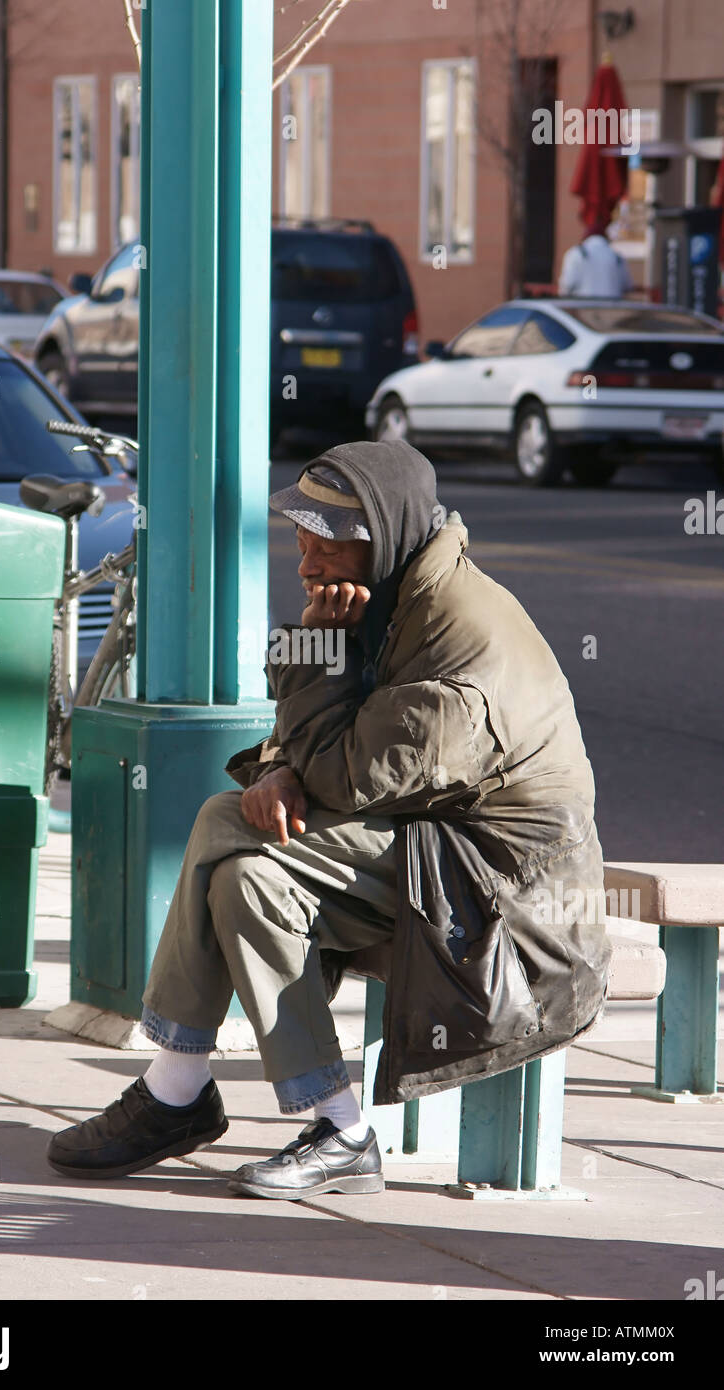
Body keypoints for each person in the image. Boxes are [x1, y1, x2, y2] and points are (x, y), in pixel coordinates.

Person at [46, 440, 612, 1200]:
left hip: (504, 889)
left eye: (328, 544)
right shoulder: (393, 597)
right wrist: (282, 762)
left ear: (385, 533)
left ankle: (174, 1090)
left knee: (224, 820)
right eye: (301, 542)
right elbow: (321, 756)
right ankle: (334, 1127)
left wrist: (315, 662)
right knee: (247, 882)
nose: (309, 565)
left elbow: (355, 777)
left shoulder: (456, 631)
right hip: (428, 843)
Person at [558, 217, 634, 297]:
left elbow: (567, 285)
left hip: (582, 306)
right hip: (613, 307)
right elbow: (627, 286)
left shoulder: (576, 254)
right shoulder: (617, 256)